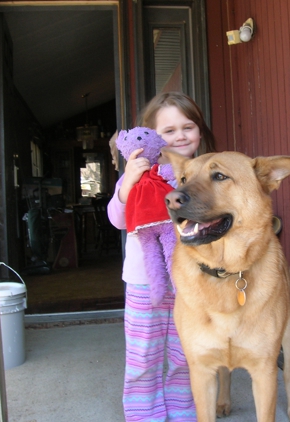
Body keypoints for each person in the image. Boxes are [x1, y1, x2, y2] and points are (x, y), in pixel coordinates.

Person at [107, 92, 216, 421]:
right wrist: (128, 184)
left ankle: (184, 413)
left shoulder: (206, 173)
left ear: (199, 131)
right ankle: (145, 415)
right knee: (143, 355)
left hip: (193, 282)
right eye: (169, 130)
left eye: (188, 126)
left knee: (186, 353)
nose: (181, 135)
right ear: (151, 135)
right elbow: (116, 218)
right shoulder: (138, 175)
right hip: (145, 281)